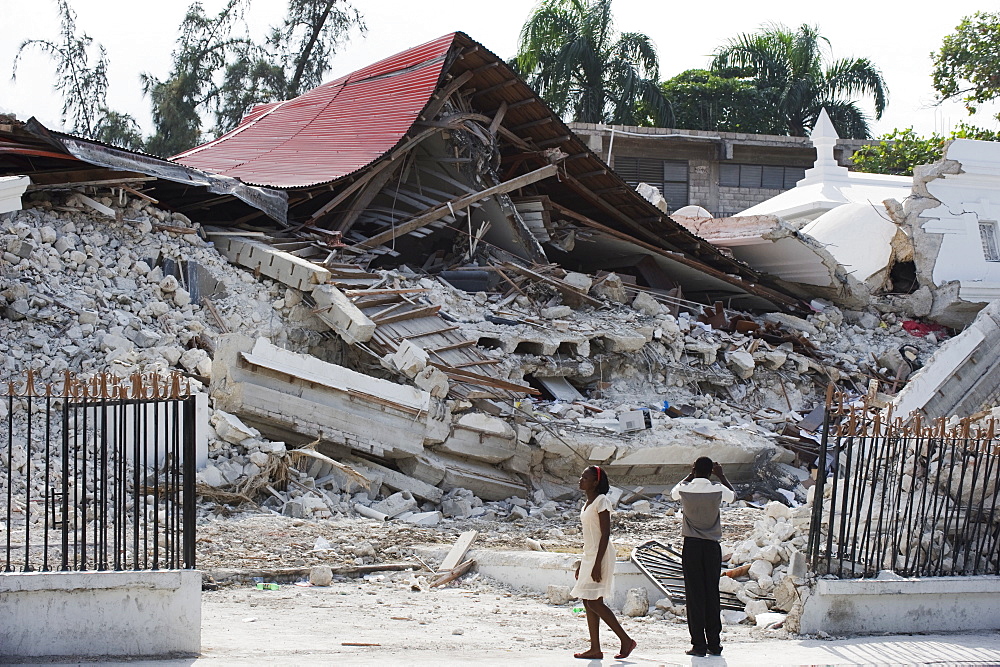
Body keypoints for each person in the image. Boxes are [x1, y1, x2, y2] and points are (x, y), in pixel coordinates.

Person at [570, 465, 637, 660]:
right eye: (581, 476)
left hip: (602, 555)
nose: (581, 480)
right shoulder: (587, 504)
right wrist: (584, 563)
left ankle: (626, 640)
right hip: (590, 554)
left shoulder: (602, 501)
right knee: (587, 599)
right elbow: (589, 537)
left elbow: (605, 534)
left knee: (595, 601)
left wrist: (597, 563)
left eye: (585, 477)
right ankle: (595, 648)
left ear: (595, 482)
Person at [671, 457, 735, 657]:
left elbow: (673, 492)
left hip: (691, 546)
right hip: (711, 547)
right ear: (711, 472)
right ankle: (714, 643)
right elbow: (733, 496)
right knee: (711, 594)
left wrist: (690, 475)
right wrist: (722, 475)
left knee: (694, 595)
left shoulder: (685, 489)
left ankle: (698, 644)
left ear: (694, 469)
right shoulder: (717, 489)